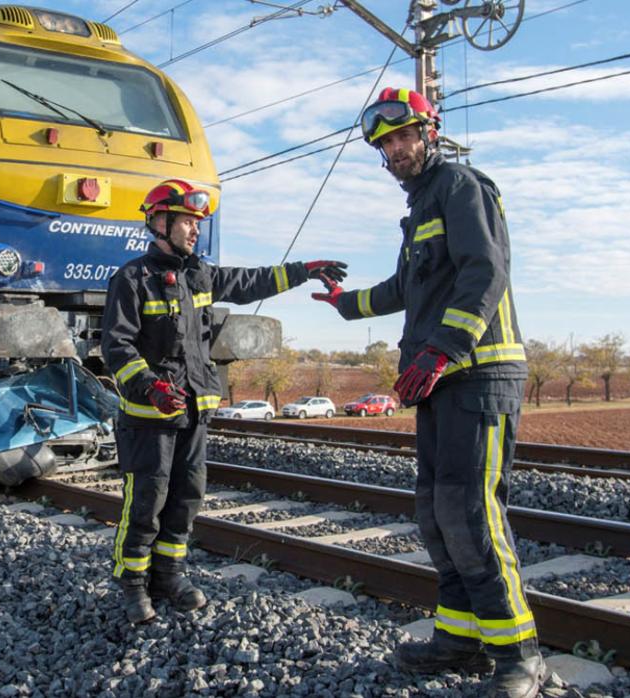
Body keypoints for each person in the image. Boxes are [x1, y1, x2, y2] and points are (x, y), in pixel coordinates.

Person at [312, 88, 542, 698]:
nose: (393, 150)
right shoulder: (421, 208)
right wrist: (346, 306)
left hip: (479, 373)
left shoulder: (464, 186)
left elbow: (484, 272)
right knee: (437, 513)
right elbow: (404, 286)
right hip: (437, 379)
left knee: (472, 512)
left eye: (402, 136)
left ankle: (519, 654)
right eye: (384, 144)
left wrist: (446, 348)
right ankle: (460, 637)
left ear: (429, 131)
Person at [101, 179, 347, 624]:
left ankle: (169, 576)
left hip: (193, 413)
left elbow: (253, 281)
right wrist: (150, 387)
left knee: (185, 501)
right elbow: (117, 348)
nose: (196, 231)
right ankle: (133, 583)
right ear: (160, 221)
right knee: (146, 503)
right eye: (188, 222)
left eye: (198, 223)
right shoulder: (132, 279)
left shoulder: (200, 275)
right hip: (148, 419)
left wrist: (304, 269)